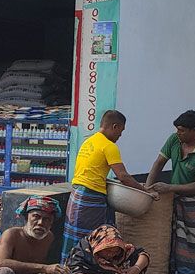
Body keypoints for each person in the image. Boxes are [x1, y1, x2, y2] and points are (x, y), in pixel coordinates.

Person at [63, 110, 156, 257]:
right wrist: (145, 190)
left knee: (74, 240)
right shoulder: (109, 146)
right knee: (92, 241)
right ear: (115, 126)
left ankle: (69, 271)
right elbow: (123, 176)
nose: (120, 135)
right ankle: (85, 273)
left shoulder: (89, 141)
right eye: (121, 131)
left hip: (77, 194)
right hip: (91, 198)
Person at [145, 110, 195, 274]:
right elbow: (159, 163)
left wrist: (170, 188)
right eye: (177, 129)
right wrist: (147, 188)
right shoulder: (174, 141)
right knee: (172, 242)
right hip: (176, 198)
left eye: (183, 130)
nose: (179, 133)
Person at [66, 224, 150, 274]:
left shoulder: (121, 251)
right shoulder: (82, 251)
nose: (110, 255)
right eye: (107, 251)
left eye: (114, 251)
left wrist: (136, 268)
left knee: (130, 270)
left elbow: (142, 254)